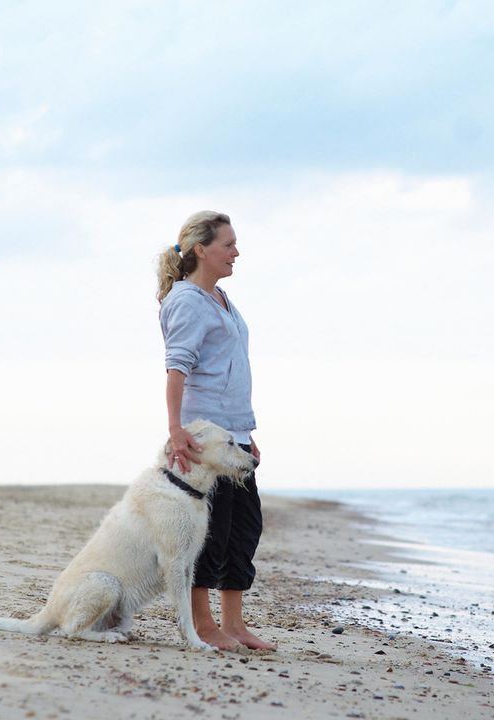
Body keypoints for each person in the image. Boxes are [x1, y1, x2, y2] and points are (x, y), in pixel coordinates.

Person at [155, 210, 275, 651]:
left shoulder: (220, 296)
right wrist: (176, 428)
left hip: (234, 435)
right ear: (201, 250)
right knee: (212, 532)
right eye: (228, 244)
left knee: (245, 528)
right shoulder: (186, 300)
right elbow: (176, 368)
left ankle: (235, 624)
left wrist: (245, 431)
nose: (236, 252)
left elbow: (231, 367)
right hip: (205, 437)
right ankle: (203, 625)